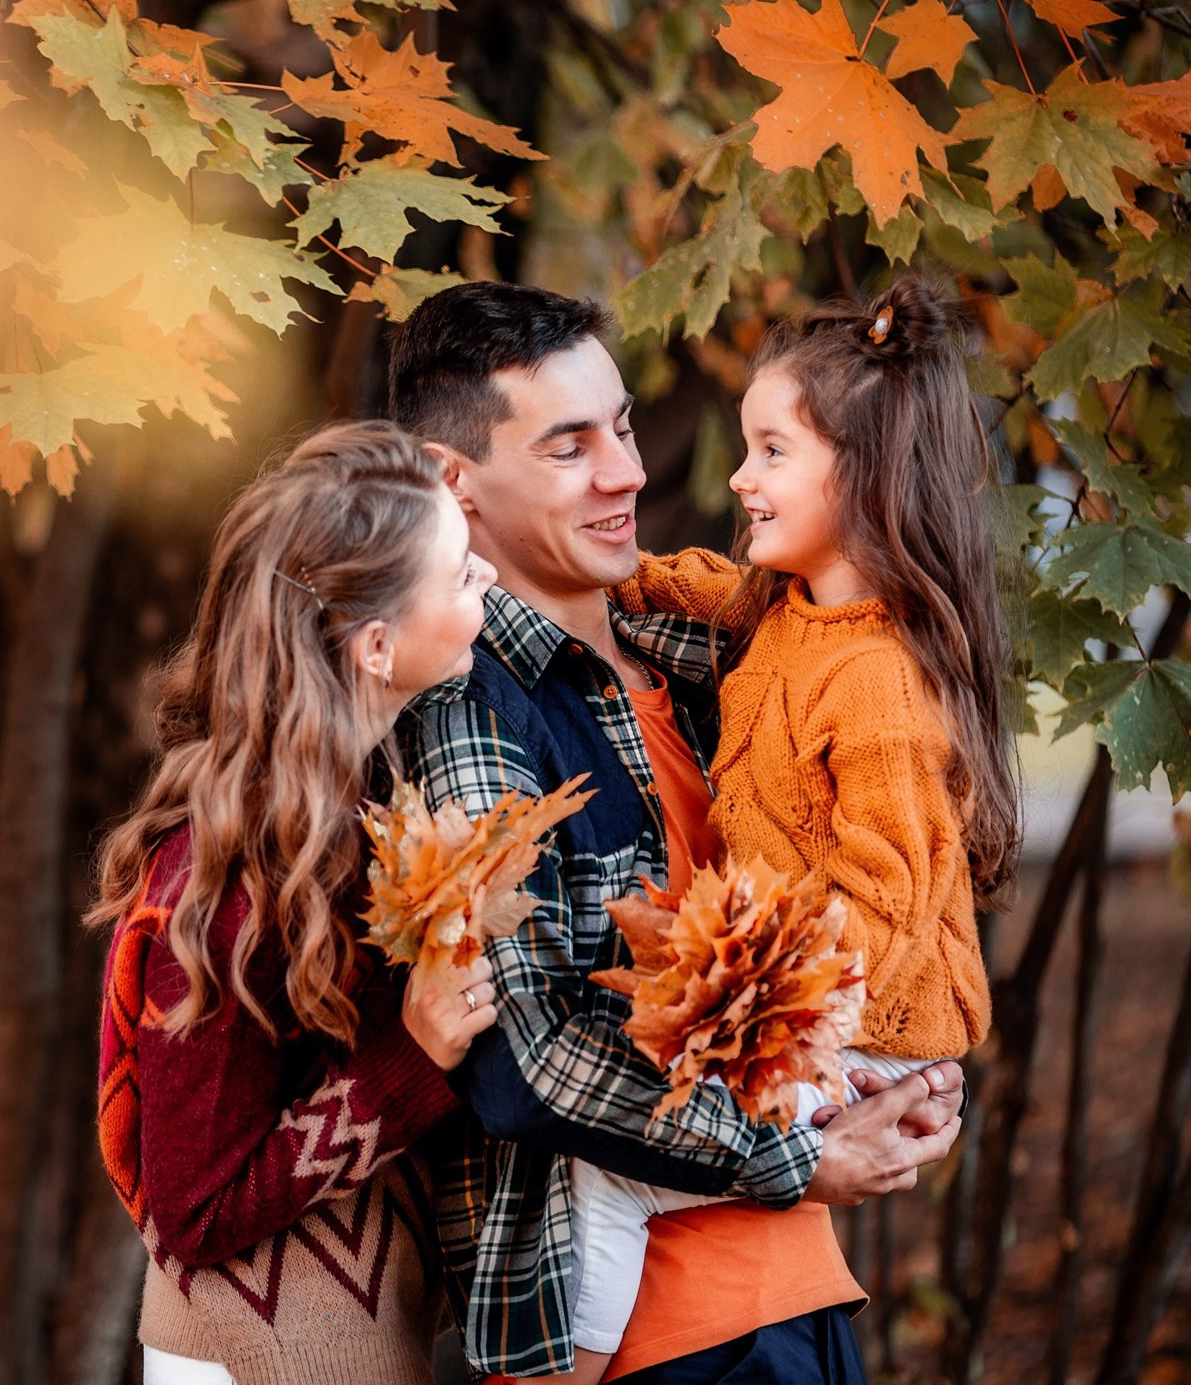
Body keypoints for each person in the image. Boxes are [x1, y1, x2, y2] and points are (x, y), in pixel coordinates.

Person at [384, 281, 968, 1385]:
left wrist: (911, 1068)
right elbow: (525, 1055)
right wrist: (801, 1153)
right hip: (642, 1345)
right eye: (568, 447)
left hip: (797, 1302)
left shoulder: (725, 663)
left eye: (623, 424)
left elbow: (895, 870)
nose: (627, 472)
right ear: (451, 482)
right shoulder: (468, 705)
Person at [552, 278, 1013, 1383]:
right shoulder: (792, 615)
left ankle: (565, 1369)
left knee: (609, 1169)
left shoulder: (879, 685)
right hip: (819, 1006)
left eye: (769, 453)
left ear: (861, 477)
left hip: (860, 1019)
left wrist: (752, 1007)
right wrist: (624, 574)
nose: (737, 479)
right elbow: (708, 590)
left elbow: (886, 897)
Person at [89, 421, 502, 1385]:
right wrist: (410, 1061)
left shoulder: (360, 807)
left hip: (348, 1326)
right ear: (374, 644)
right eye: (456, 571)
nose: (484, 575)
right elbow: (193, 1211)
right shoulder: (226, 878)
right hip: (255, 1353)